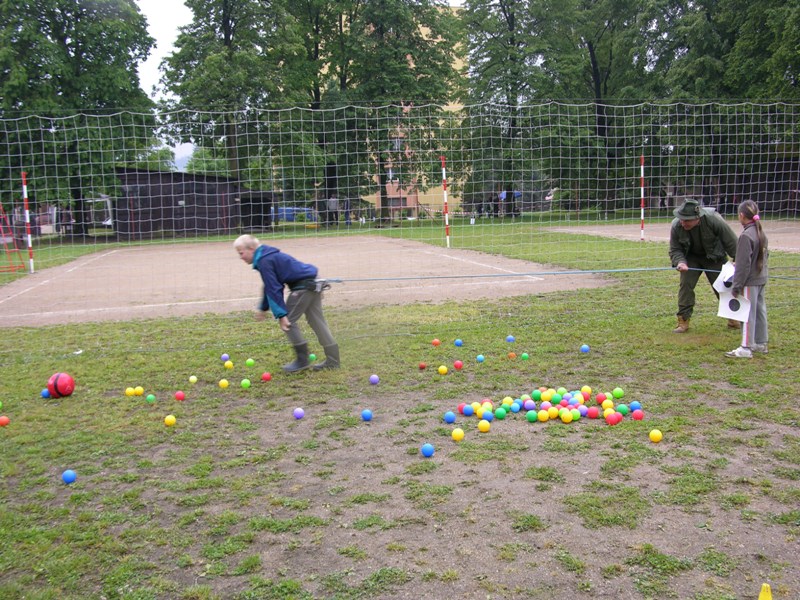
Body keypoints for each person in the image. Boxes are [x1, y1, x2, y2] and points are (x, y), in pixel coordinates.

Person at [234, 235, 339, 372]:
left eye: (241, 253)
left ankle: (302, 360)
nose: (240, 257)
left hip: (304, 287)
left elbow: (273, 288)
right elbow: (269, 286)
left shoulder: (264, 260)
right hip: (313, 282)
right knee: (316, 320)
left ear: (252, 249)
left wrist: (282, 315)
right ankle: (333, 360)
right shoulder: (267, 256)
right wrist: (263, 308)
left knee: (288, 322)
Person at [668, 198, 739, 333]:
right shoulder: (676, 225)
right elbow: (675, 249)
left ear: (697, 218)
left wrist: (738, 260)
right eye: (681, 219)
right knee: (686, 286)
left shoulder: (714, 220)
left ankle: (733, 317)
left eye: (687, 220)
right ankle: (683, 320)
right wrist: (680, 262)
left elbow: (731, 241)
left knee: (724, 286)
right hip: (690, 258)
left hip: (715, 257)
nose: (683, 222)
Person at [725, 200, 769, 358]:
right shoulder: (760, 232)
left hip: (750, 281)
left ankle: (746, 347)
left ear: (742, 215)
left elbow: (743, 265)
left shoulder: (745, 236)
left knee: (747, 313)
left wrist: (736, 287)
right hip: (760, 278)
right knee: (759, 311)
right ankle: (760, 343)